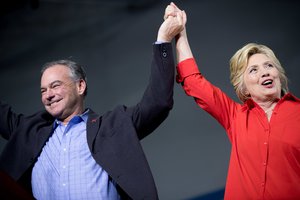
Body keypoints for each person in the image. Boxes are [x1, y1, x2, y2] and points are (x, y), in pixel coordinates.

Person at [0, 6, 186, 200]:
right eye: (43, 90)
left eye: (55, 86)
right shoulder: (29, 131)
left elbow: (158, 102)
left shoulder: (113, 126)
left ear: (80, 86)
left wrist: (163, 40)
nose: (48, 95)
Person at [165, 2, 300, 200]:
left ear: (278, 73)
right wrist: (181, 32)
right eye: (253, 70)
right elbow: (193, 81)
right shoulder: (235, 116)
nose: (264, 72)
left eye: (268, 65)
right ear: (243, 86)